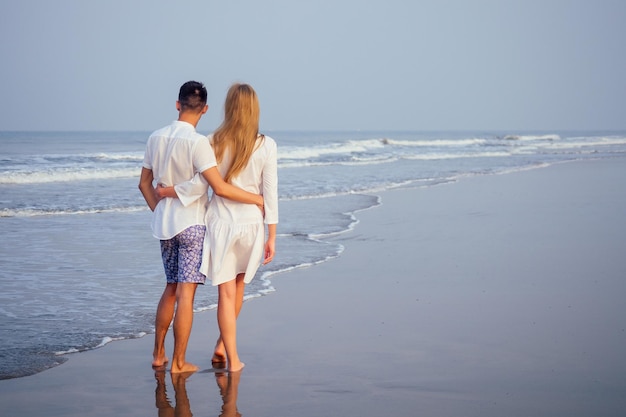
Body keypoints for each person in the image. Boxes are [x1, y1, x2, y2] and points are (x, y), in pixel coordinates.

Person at [139, 81, 264, 374]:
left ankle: (159, 355)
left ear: (177, 104)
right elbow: (217, 186)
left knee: (170, 287)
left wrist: (160, 210)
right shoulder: (198, 143)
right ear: (205, 109)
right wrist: (257, 198)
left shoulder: (155, 137)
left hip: (165, 226)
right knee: (186, 293)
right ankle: (179, 363)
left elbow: (144, 184)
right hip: (193, 224)